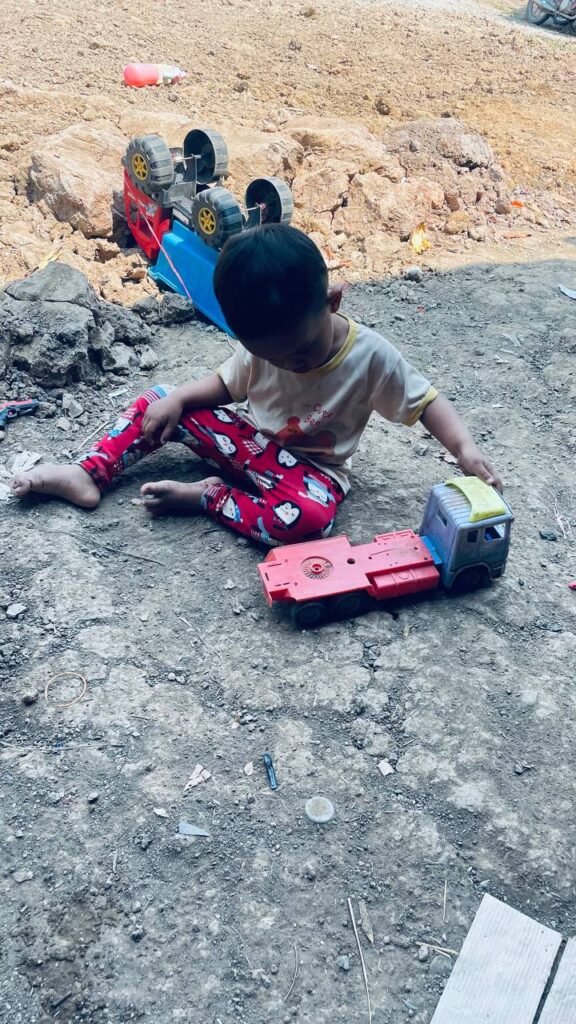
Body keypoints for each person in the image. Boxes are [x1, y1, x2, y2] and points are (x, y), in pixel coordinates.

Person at [11, 225, 502, 547]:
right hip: (246, 446)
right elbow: (225, 388)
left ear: (332, 302)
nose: (288, 363)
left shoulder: (370, 356)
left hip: (311, 474)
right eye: (271, 356)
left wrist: (464, 449)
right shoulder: (264, 346)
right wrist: (180, 399)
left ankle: (208, 496)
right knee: (159, 400)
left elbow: (426, 402)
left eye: (300, 352)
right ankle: (89, 473)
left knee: (309, 521)